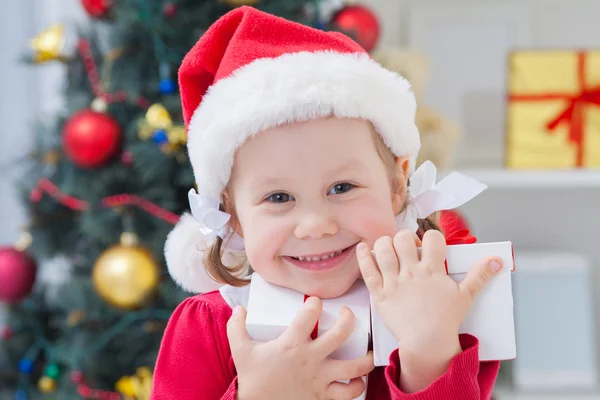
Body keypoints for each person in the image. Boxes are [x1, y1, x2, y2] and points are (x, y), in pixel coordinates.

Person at [150, 6, 504, 400]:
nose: (316, 225)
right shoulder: (209, 327)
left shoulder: (443, 303)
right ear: (232, 215)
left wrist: (430, 354)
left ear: (396, 186)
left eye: (342, 187)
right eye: (279, 197)